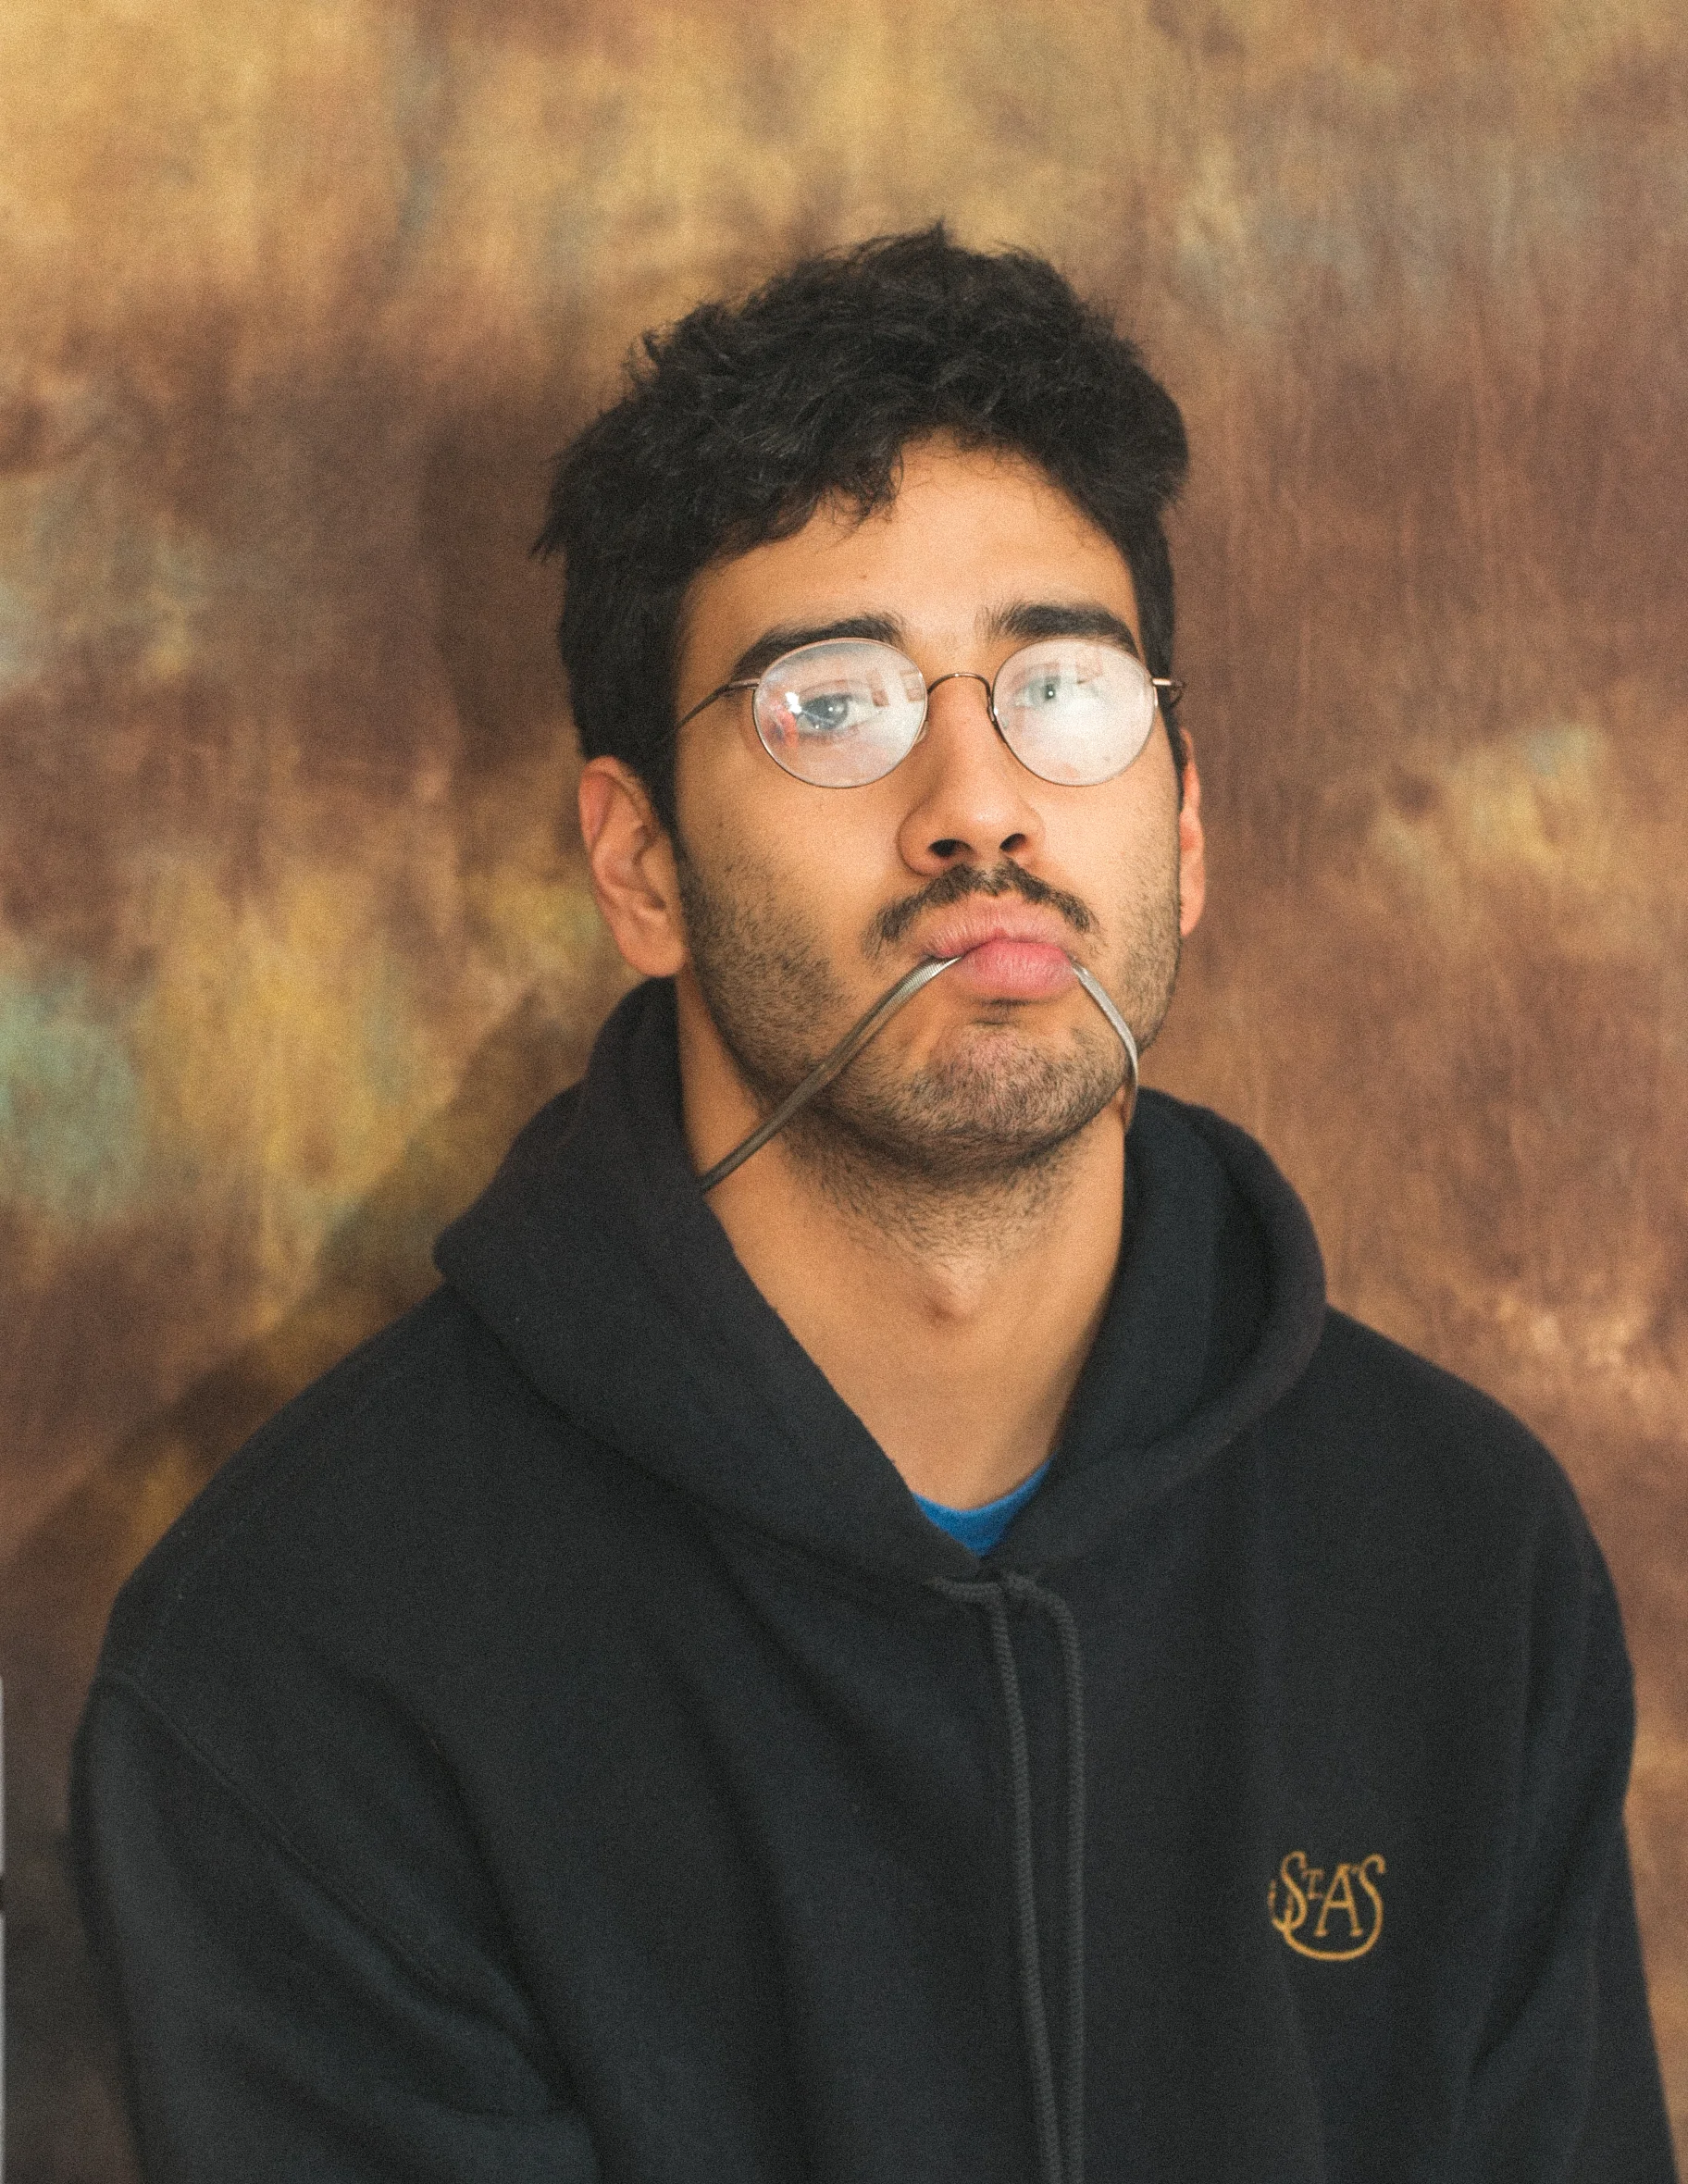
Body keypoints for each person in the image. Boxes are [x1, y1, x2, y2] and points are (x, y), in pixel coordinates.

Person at [72, 229, 1676, 2183]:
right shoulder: (308, 1656)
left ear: (1182, 829)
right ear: (639, 866)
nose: (979, 802)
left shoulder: (1460, 1556)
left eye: (1062, 689)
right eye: (831, 706)